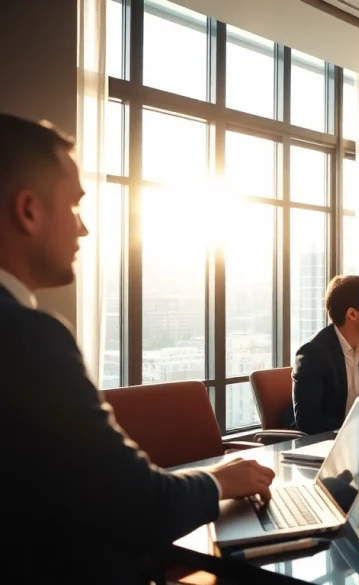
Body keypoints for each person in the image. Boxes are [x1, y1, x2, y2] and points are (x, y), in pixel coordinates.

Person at [0, 114, 276, 583]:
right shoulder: (27, 339)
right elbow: (139, 504)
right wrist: (220, 480)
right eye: (74, 207)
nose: (84, 229)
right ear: (29, 210)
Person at [291, 275, 359, 434]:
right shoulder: (313, 354)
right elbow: (309, 421)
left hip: (355, 441)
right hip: (321, 445)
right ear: (352, 314)